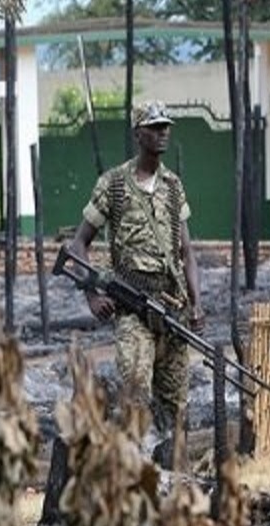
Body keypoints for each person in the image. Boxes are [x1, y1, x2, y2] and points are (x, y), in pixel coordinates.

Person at [66, 100, 203, 469]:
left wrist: (197, 302)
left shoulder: (174, 186)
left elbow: (187, 251)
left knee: (177, 402)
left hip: (172, 308)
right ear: (137, 133)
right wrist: (92, 293)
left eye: (166, 126)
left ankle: (176, 476)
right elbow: (78, 243)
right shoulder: (113, 185)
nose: (163, 132)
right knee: (135, 391)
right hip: (132, 308)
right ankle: (132, 474)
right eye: (154, 126)